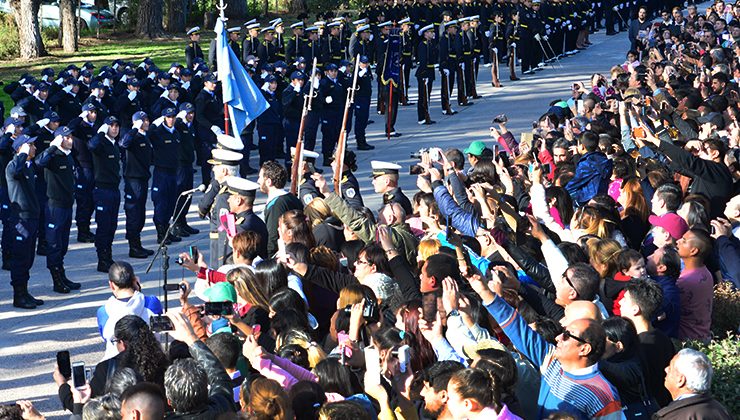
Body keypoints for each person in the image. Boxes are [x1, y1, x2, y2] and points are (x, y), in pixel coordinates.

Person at [468, 273, 624, 419]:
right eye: (564, 332)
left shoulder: (604, 395)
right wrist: (484, 291)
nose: (558, 337)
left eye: (568, 335)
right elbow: (518, 328)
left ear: (584, 349)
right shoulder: (551, 361)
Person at [34, 126, 81, 293]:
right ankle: (56, 280)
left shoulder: (68, 156)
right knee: (54, 244)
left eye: (71, 137)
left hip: (67, 205)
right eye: (66, 138)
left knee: (63, 244)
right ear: (59, 139)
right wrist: (52, 146)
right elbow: (39, 162)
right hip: (55, 206)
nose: (71, 140)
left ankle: (62, 274)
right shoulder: (52, 156)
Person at [163, 311, 236, 418]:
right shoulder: (222, 407)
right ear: (207, 390)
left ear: (169, 401)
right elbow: (219, 375)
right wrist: (190, 337)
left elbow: (219, 376)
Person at [97, 261, 162, 360]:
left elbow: (105, 337)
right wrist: (138, 291)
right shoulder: (152, 303)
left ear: (111, 285)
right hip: (151, 359)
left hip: (116, 363)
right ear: (135, 280)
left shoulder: (104, 311)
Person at [6, 134, 43, 309]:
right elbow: (14, 172)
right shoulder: (13, 165)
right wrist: (22, 153)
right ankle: (18, 295)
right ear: (21, 148)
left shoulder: (28, 166)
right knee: (20, 257)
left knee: (28, 257)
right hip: (20, 220)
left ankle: (25, 291)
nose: (34, 148)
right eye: (30, 145)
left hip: (32, 217)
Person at [655, 348, 733, 419]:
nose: (666, 369)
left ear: (681, 380)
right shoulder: (721, 411)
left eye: (671, 367)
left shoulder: (674, 417)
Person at [88, 115, 122, 272]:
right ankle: (102, 259)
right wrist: (101, 133)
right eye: (111, 125)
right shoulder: (100, 143)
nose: (114, 128)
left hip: (114, 189)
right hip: (102, 190)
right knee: (103, 226)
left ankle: (108, 256)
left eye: (116, 125)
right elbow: (92, 145)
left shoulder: (114, 144)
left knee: (112, 225)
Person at [198, 149, 242, 267]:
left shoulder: (224, 197)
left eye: (216, 166)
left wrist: (222, 259)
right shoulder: (225, 189)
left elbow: (225, 231)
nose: (213, 169)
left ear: (224, 170)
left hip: (220, 247)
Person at [119, 111, 153, 258]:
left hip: (143, 178)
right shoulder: (132, 136)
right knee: (133, 214)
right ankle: (133, 247)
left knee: (140, 214)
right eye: (144, 121)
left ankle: (138, 244)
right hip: (133, 181)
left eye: (147, 120)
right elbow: (123, 143)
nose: (147, 123)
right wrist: (134, 128)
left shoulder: (145, 137)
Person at [675, 229, 714, 342]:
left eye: (684, 240)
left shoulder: (685, 281)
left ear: (693, 251)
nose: (678, 241)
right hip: (704, 336)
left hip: (688, 341)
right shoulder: (705, 272)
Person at [258, 161, 304, 257]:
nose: (258, 181)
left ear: (268, 182)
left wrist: (269, 258)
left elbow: (273, 236)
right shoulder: (291, 197)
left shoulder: (275, 205)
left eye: (260, 178)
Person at [224, 176, 268, 261]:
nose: (228, 200)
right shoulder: (255, 220)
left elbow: (237, 258)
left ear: (238, 200)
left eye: (230, 197)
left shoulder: (242, 227)